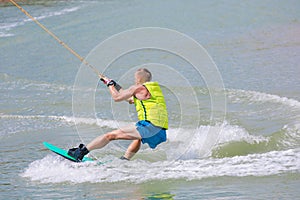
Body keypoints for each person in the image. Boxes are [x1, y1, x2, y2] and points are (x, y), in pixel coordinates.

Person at [68, 68, 168, 161]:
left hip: (149, 126)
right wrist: (114, 84)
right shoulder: (154, 90)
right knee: (138, 137)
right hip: (159, 129)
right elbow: (128, 97)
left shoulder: (138, 88)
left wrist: (110, 85)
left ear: (138, 79)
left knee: (110, 136)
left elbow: (117, 97)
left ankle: (80, 152)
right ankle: (125, 159)